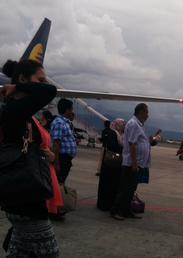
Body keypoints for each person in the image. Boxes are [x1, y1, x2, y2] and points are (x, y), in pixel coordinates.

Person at [1, 59, 60, 257]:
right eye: (40, 79)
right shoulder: (16, 110)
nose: (44, 84)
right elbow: (50, 91)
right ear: (24, 79)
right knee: (48, 252)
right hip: (25, 194)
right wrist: (18, 86)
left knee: (22, 251)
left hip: (19, 192)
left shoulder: (20, 111)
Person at [112, 103, 159, 220]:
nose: (148, 115)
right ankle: (115, 210)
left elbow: (139, 141)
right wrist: (134, 163)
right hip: (131, 163)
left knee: (131, 189)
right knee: (125, 189)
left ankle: (126, 210)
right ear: (141, 112)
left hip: (137, 162)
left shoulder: (139, 125)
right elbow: (132, 144)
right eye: (146, 112)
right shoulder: (133, 124)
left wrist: (150, 140)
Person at [97, 119, 125, 211]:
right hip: (110, 163)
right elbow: (113, 146)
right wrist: (122, 149)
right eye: (122, 124)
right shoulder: (113, 133)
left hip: (116, 163)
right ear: (117, 125)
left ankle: (110, 203)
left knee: (113, 184)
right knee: (107, 183)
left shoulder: (121, 135)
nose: (124, 125)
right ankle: (104, 205)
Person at [50, 98, 76, 185]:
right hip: (62, 159)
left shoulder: (65, 123)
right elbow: (56, 144)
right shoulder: (59, 123)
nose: (72, 111)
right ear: (67, 110)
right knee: (58, 183)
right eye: (71, 109)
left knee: (61, 182)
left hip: (66, 159)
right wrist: (56, 163)